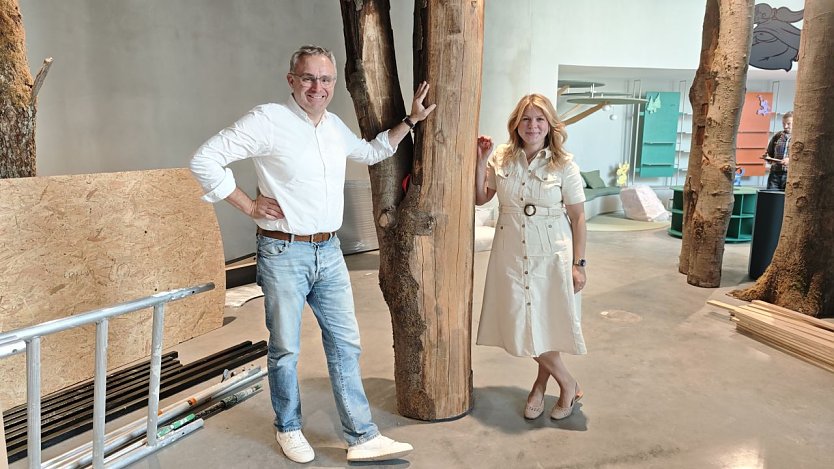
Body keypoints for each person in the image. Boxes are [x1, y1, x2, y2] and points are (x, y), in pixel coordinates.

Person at [190, 44, 436, 464]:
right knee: (285, 347)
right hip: (284, 251)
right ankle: (288, 427)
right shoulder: (268, 120)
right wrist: (248, 206)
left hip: (330, 250)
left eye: (325, 79)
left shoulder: (334, 127)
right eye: (308, 78)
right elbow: (204, 159)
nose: (317, 87)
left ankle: (361, 436)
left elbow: (373, 151)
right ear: (291, 80)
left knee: (345, 343)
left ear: (333, 83)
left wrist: (410, 120)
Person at [474, 93, 587, 421]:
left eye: (539, 119)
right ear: (517, 124)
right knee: (520, 321)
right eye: (526, 119)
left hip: (551, 254)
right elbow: (481, 199)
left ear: (550, 125)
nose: (532, 125)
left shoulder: (564, 164)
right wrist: (481, 159)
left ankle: (544, 386)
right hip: (510, 253)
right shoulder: (502, 158)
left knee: (546, 321)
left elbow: (579, 218)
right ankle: (567, 381)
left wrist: (580, 265)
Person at [762, 111, 793, 191]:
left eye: (788, 124)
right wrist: (767, 157)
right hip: (774, 174)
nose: (785, 126)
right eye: (783, 123)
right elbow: (770, 154)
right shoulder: (777, 136)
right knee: (772, 198)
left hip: (790, 175)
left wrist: (791, 160)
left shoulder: (800, 138)